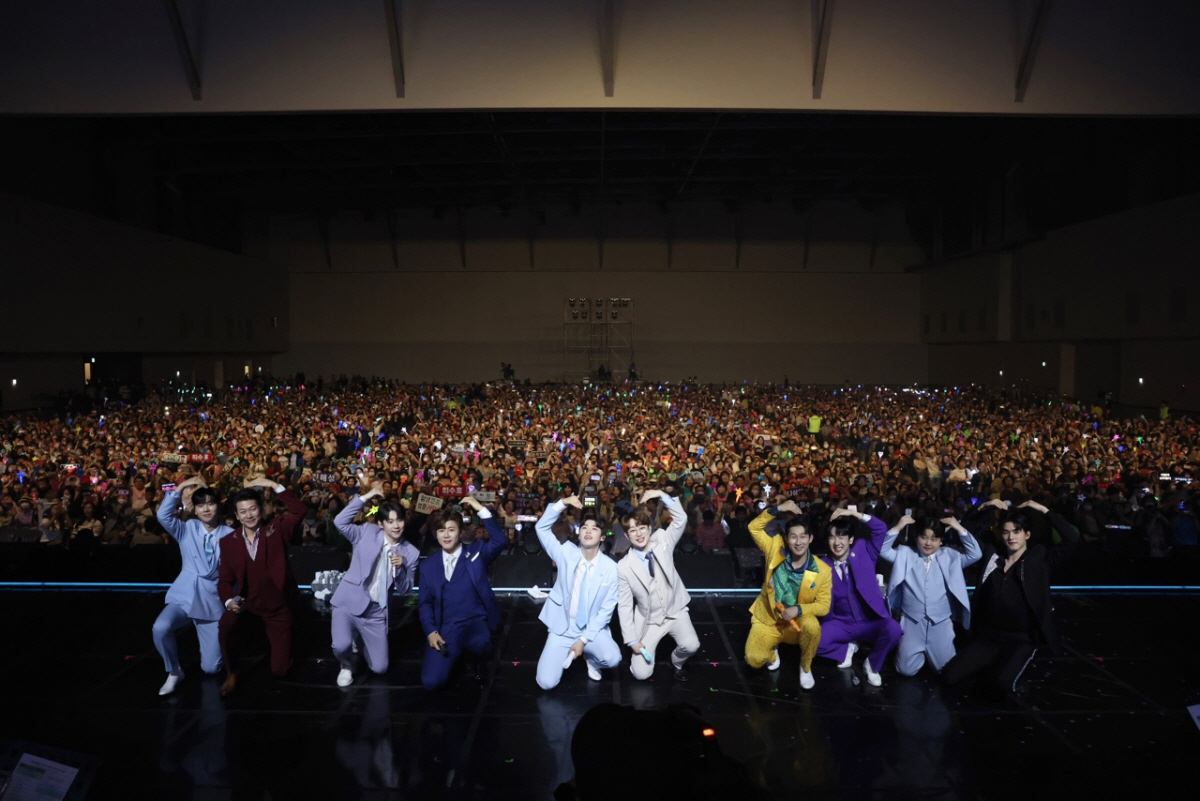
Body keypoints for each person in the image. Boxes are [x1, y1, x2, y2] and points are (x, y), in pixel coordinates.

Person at [942, 499, 1079, 696]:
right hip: (990, 637)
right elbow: (968, 532)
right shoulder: (992, 554)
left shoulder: (1039, 559)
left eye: (1016, 531)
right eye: (1006, 532)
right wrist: (984, 506)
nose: (1011, 537)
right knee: (950, 677)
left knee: (1001, 686)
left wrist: (1043, 510)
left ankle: (1013, 669)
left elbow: (1072, 539)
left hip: (1021, 639)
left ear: (1027, 535)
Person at [215, 477, 307, 696]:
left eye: (253, 509)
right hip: (246, 602)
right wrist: (228, 601)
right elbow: (225, 580)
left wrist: (274, 486)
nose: (249, 515)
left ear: (261, 509)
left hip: (277, 606)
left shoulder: (275, 529)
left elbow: (299, 511)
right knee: (226, 625)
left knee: (280, 670)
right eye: (243, 512)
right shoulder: (228, 542)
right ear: (237, 515)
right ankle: (232, 672)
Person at [329, 473, 420, 687]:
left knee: (380, 668)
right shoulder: (366, 532)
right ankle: (347, 664)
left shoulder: (411, 552)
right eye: (390, 521)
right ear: (381, 523)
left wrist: (401, 569)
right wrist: (366, 496)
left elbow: (406, 590)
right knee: (341, 645)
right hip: (348, 602)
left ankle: (360, 640)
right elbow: (339, 521)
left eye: (399, 520)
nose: (396, 526)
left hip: (375, 612)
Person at [151, 476, 233, 695]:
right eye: (201, 505)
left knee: (211, 668)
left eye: (210, 504)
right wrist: (180, 488)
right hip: (185, 596)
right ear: (194, 509)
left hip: (211, 601)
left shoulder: (230, 535)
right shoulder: (187, 528)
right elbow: (162, 515)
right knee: (160, 628)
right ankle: (174, 671)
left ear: (218, 506)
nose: (206, 509)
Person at [417, 495, 506, 691]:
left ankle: (477, 660)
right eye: (441, 531)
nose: (446, 535)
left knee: (482, 645)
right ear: (436, 534)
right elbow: (425, 603)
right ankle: (458, 658)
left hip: (476, 622)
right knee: (431, 682)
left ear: (460, 532)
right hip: (447, 627)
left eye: (451, 529)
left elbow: (499, 541)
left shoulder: (475, 553)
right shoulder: (428, 565)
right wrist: (431, 632)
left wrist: (480, 509)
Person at [532, 495, 621, 689]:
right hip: (563, 627)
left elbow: (606, 611)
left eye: (594, 528)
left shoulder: (612, 569)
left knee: (613, 658)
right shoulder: (566, 553)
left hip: (591, 628)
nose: (588, 531)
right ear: (579, 533)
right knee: (546, 683)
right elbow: (541, 528)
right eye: (585, 527)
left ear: (602, 537)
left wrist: (583, 640)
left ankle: (593, 660)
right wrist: (562, 503)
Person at [880, 514, 981, 677]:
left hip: (940, 622)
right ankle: (920, 653)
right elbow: (882, 549)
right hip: (912, 621)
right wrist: (899, 526)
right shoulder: (905, 554)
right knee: (905, 670)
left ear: (941, 541)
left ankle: (932, 653)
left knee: (947, 671)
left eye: (934, 539)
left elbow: (975, 554)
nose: (928, 543)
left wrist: (958, 527)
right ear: (916, 537)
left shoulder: (950, 556)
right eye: (924, 537)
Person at [744, 499, 830, 689]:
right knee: (754, 659)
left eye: (803, 537)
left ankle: (805, 666)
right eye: (793, 537)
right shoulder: (775, 549)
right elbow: (753, 528)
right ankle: (771, 650)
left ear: (810, 538)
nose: (798, 542)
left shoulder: (822, 570)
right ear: (786, 538)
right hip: (769, 619)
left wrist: (798, 609)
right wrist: (778, 509)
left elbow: (824, 606)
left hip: (795, 622)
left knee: (812, 627)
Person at [615, 488, 699, 681]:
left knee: (691, 645)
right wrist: (631, 640)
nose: (638, 534)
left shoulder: (662, 541)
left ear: (649, 528)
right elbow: (625, 605)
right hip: (649, 620)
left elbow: (681, 519)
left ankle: (676, 663)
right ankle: (642, 661)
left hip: (675, 611)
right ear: (627, 536)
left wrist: (662, 495)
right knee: (641, 674)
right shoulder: (624, 566)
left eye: (642, 528)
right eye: (632, 530)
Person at [815, 506, 903, 686]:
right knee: (811, 641)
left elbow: (880, 528)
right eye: (832, 537)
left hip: (869, 621)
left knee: (894, 630)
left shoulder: (864, 551)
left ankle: (872, 665)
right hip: (840, 622)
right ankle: (846, 650)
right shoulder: (822, 565)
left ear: (851, 539)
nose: (837, 542)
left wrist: (854, 514)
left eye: (842, 537)